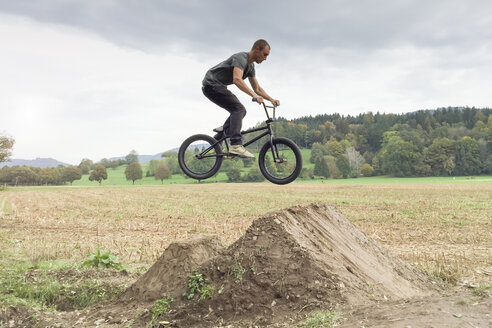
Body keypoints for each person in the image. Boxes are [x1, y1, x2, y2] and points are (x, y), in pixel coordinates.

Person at [202, 39, 280, 158]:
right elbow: (237, 79)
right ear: (257, 49)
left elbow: (257, 88)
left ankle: (218, 139)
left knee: (237, 111)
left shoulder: (251, 67)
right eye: (265, 54)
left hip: (217, 86)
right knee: (239, 109)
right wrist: (254, 96)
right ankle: (236, 145)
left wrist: (271, 99)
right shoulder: (241, 58)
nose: (265, 58)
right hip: (211, 84)